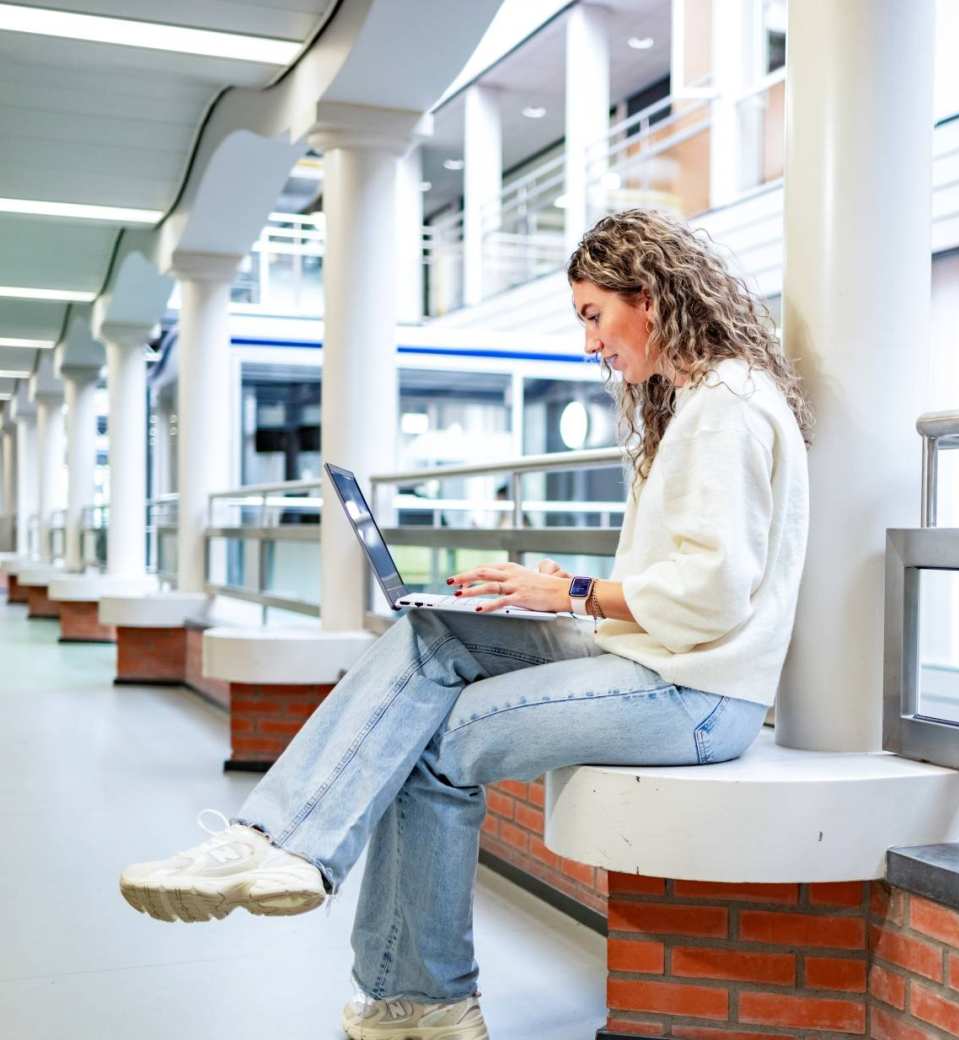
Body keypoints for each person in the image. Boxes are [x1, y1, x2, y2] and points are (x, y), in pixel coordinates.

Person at [119, 209, 813, 1040]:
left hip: (695, 696)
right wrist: (559, 585)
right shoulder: (699, 401)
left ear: (653, 297)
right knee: (431, 633)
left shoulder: (723, 405)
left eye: (594, 316)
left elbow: (714, 594)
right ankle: (288, 852)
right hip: (655, 661)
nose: (589, 343)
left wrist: (575, 593)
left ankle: (412, 988)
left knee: (433, 746)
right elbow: (690, 577)